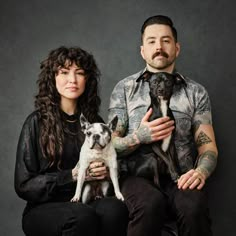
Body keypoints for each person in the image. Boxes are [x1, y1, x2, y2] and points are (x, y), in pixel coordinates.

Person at [108, 15, 218, 236]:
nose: (159, 46)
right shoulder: (125, 88)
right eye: (151, 41)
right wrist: (139, 136)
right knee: (149, 205)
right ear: (142, 51)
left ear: (176, 48)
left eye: (166, 40)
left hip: (181, 176)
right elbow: (110, 144)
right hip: (137, 176)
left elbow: (208, 147)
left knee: (193, 206)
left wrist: (200, 172)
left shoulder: (195, 92)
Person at [14, 46, 128, 236]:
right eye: (64, 72)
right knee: (82, 217)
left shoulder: (96, 123)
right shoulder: (35, 122)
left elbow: (112, 161)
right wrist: (72, 175)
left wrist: (105, 171)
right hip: (43, 208)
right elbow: (24, 185)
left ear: (87, 80)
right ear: (53, 78)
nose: (72, 80)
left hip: (88, 197)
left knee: (115, 210)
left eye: (80, 73)